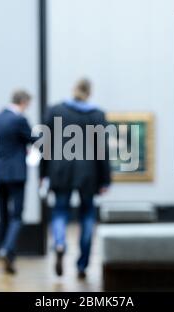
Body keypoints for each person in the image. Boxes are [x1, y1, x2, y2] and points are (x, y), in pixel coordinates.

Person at [41, 79, 111, 279]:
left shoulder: (55, 110)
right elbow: (102, 150)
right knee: (87, 215)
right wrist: (105, 179)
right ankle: (82, 264)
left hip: (60, 170)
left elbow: (45, 144)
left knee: (60, 211)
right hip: (88, 173)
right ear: (90, 92)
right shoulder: (97, 114)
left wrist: (43, 173)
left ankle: (60, 243)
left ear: (73, 90)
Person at [0, 90, 35, 274]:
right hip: (16, 172)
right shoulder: (19, 120)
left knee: (3, 215)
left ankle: (6, 253)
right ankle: (7, 248)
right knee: (16, 215)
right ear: (23, 101)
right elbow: (33, 139)